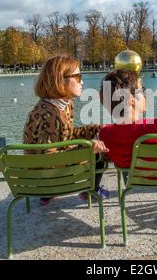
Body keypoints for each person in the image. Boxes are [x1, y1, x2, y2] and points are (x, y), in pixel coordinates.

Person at [23, 55, 110, 206]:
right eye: (77, 77)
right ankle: (91, 190)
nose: (82, 81)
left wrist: (94, 129)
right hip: (46, 178)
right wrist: (88, 145)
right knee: (99, 149)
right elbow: (49, 156)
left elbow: (65, 136)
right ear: (60, 80)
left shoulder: (63, 103)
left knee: (99, 136)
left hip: (45, 171)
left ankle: (48, 195)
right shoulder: (48, 114)